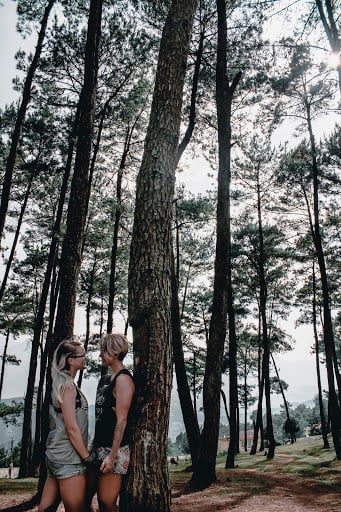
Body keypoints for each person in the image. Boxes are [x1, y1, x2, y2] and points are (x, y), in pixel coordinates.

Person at [39, 337, 91, 512]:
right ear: (70, 360)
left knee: (45, 509)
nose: (85, 358)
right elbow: (72, 428)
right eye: (82, 355)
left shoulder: (62, 384)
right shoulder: (67, 387)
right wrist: (86, 458)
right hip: (69, 459)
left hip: (56, 456)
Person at [88, 332, 135, 512]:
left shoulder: (123, 380)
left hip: (114, 449)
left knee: (106, 503)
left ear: (114, 352)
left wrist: (112, 455)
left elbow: (121, 420)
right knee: (85, 497)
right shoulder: (106, 380)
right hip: (98, 447)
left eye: (103, 351)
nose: (100, 355)